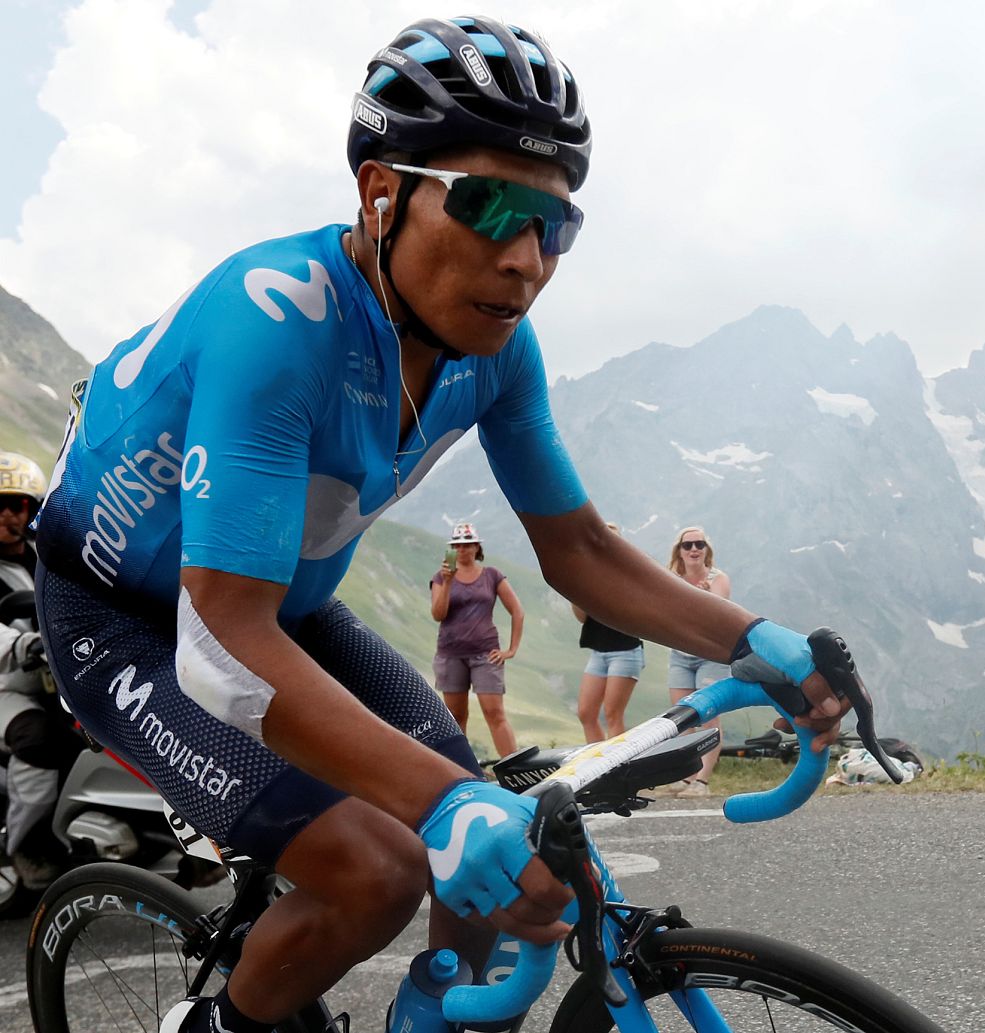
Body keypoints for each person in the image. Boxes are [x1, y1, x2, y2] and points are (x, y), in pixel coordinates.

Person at [30, 18, 850, 1033]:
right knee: (375, 873)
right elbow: (218, 646)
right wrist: (441, 804)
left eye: (555, 225)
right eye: (490, 207)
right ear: (383, 192)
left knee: (509, 875)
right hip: (136, 620)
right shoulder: (275, 318)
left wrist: (756, 641)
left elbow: (580, 550)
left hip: (281, 605)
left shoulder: (497, 349)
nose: (525, 259)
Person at [0, 451, 83, 889]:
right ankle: (26, 845)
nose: (6, 514)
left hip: (58, 675)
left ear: (30, 508)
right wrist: (21, 644)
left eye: (15, 504)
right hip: (7, 689)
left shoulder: (46, 553)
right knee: (39, 738)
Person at [430, 521, 521, 758]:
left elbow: (517, 610)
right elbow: (438, 614)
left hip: (486, 653)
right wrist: (449, 582)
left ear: (477, 547)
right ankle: (461, 769)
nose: (463, 549)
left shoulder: (492, 575)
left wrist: (511, 650)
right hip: (450, 654)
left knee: (494, 712)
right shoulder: (440, 578)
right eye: (457, 545)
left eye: (468, 544)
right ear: (451, 549)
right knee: (456, 716)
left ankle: (514, 768)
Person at [659, 526, 732, 798]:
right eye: (687, 545)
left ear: (706, 550)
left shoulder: (718, 578)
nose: (693, 550)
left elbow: (716, 610)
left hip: (711, 655)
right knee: (682, 716)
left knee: (709, 715)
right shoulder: (672, 579)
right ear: (679, 550)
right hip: (680, 654)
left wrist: (703, 595)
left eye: (699, 544)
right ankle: (687, 776)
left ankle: (703, 781)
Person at [571, 522, 643, 742]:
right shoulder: (587, 576)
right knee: (586, 713)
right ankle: (598, 766)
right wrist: (577, 592)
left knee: (612, 713)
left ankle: (618, 769)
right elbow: (582, 617)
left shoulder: (627, 575)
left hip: (626, 650)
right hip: (599, 652)